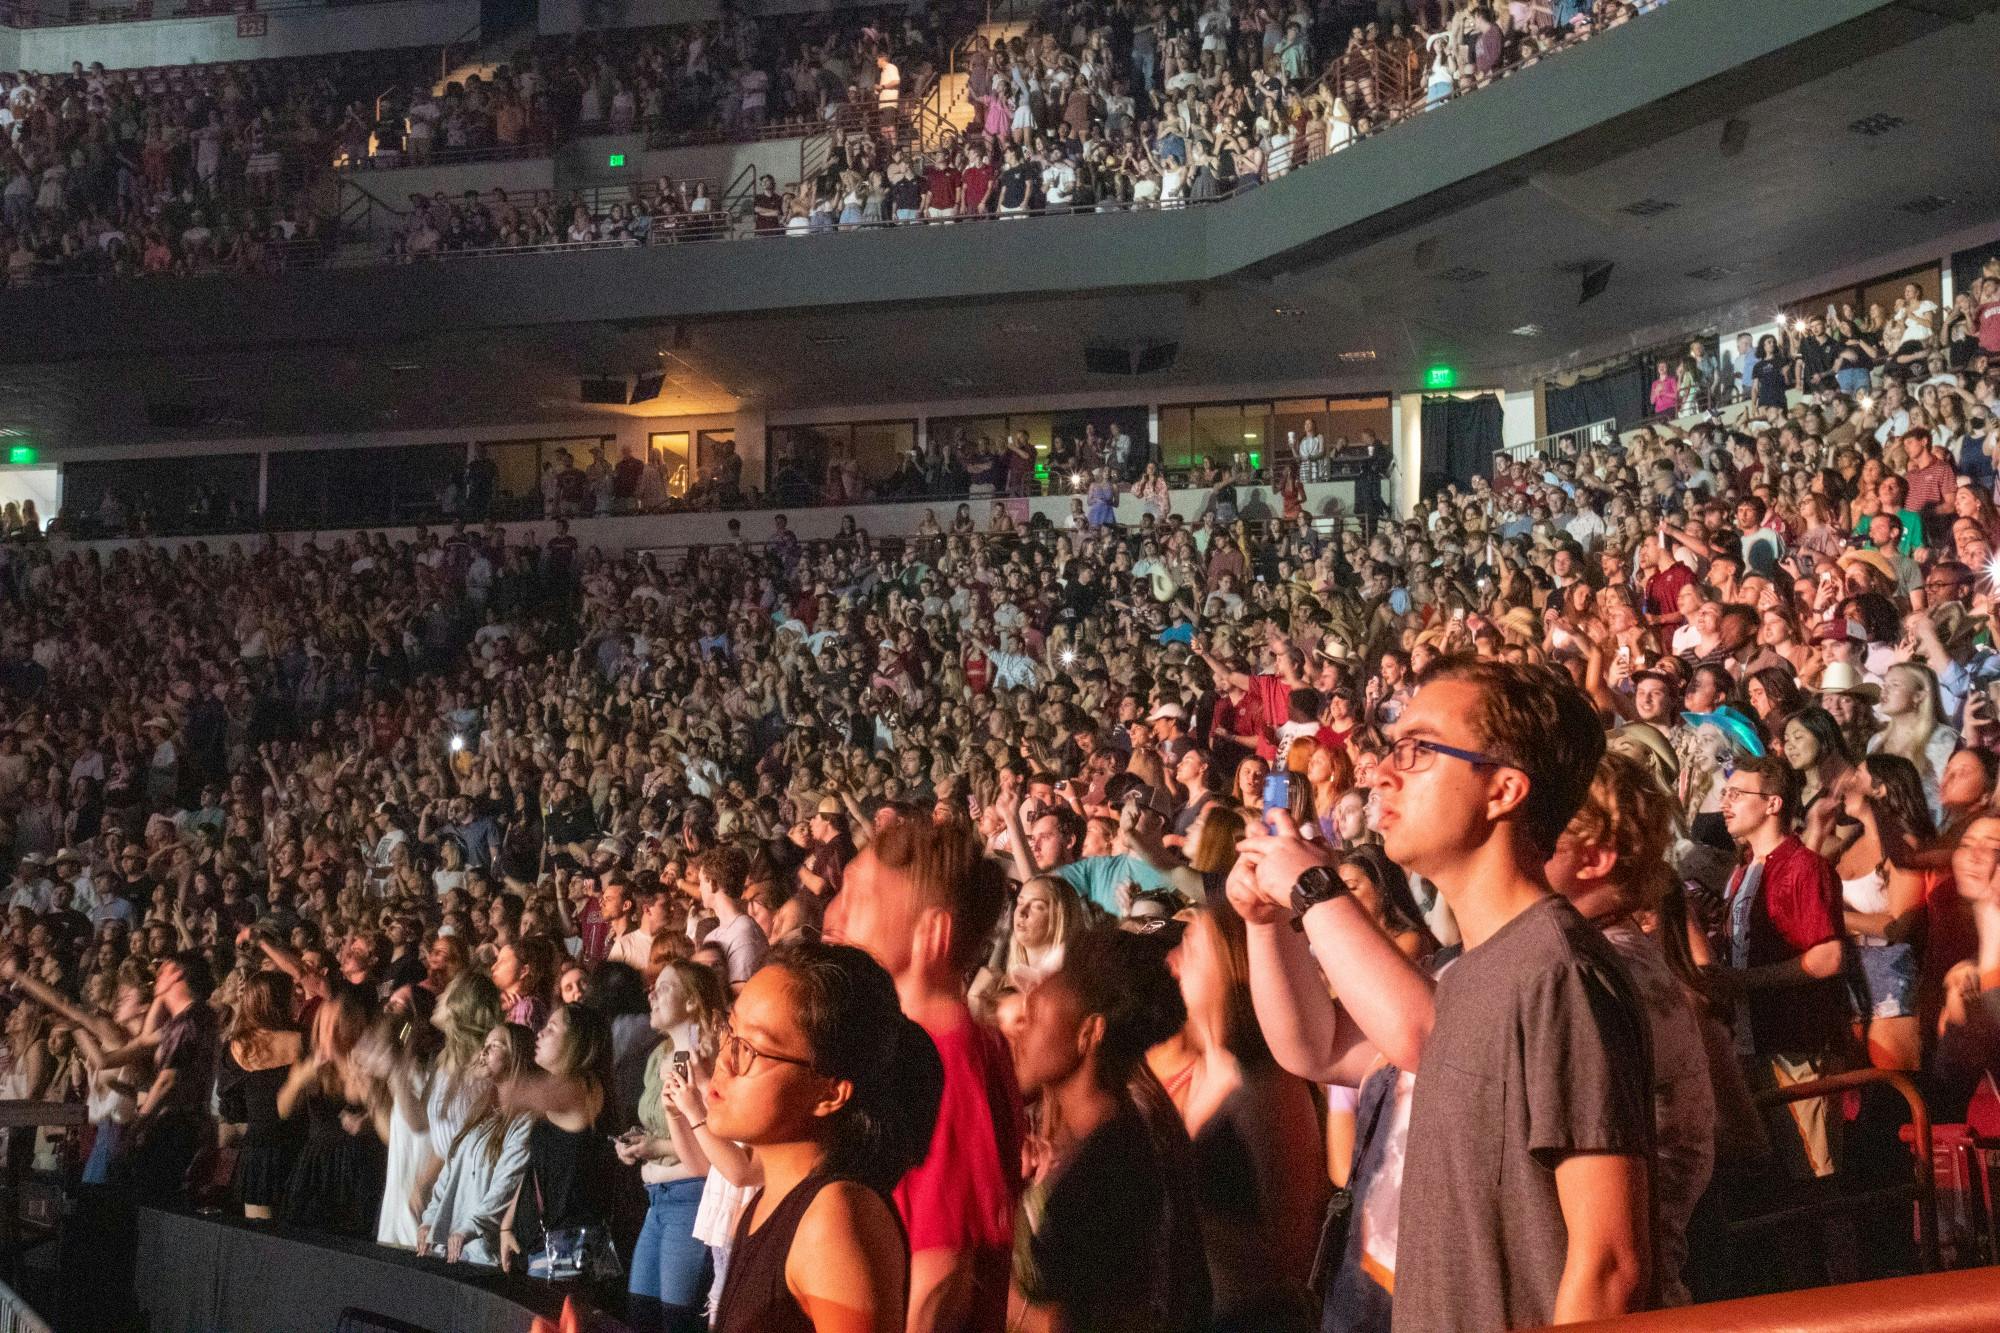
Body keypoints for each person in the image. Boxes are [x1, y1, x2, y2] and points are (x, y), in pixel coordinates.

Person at [1232, 660, 1655, 1330]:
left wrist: (1314, 890)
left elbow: (1609, 1264)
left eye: (1417, 749)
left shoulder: (1557, 972)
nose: (1379, 772)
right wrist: (1264, 917)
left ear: (1504, 790)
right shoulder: (1473, 971)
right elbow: (1316, 1045)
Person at [826, 820, 1023, 1333]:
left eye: (860, 896)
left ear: (931, 932)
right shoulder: (916, 1049)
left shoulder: (947, 1062)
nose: (834, 913)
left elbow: (940, 1276)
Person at [706, 942, 946, 1333]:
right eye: (729, 1031)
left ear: (829, 1093)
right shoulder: (764, 1205)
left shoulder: (834, 1218)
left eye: (750, 1048)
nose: (724, 1059)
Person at [1008, 924, 1211, 1333]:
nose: (1019, 1031)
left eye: (1034, 1017)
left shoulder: (1113, 1165)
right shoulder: (1077, 1133)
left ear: (1090, 1032)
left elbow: (1076, 1322)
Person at [1713, 754, 1848, 1179]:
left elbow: (1828, 957)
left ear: (1773, 804)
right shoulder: (1742, 871)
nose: (1725, 803)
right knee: (1776, 1183)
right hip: (1753, 1045)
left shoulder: (1804, 867)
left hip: (1797, 1047)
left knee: (1817, 1177)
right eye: (1725, 793)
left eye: (1737, 793)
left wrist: (1743, 982)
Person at [624, 959, 729, 1331]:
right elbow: (660, 1123)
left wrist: (659, 1148)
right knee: (641, 1313)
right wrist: (638, 1143)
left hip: (689, 1196)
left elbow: (714, 1143)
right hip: (656, 1199)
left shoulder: (713, 1054)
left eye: (665, 987)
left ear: (691, 1001)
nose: (651, 993)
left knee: (676, 1321)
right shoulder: (658, 1056)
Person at [418, 1023, 535, 1266]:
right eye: (484, 1046)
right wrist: (430, 1218)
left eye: (495, 1046)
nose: (484, 1053)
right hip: (450, 1248)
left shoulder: (524, 1120)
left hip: (483, 1254)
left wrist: (470, 1227)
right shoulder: (482, 1111)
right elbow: (449, 1170)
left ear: (517, 1056)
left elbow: (507, 1183)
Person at [278, 983, 389, 1237]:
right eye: (323, 1025)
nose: (327, 1033)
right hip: (317, 1168)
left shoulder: (370, 1067)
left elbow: (389, 1122)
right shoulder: (312, 1066)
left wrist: (368, 1120)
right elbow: (283, 1110)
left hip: (359, 1169)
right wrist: (298, 1082)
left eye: (335, 1024)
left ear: (352, 1025)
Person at [216, 969, 307, 1219]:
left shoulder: (235, 1046)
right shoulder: (305, 1041)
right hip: (299, 1148)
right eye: (293, 995)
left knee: (260, 1240)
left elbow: (232, 1110)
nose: (298, 1000)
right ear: (280, 1001)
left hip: (259, 1151)